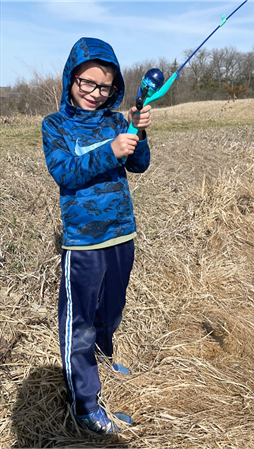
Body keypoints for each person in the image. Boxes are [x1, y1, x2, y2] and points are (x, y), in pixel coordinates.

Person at [42, 37, 152, 435]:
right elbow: (65, 173)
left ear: (114, 88)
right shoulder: (55, 125)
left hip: (122, 234)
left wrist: (138, 131)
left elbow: (140, 164)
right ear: (71, 78)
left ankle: (103, 356)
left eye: (104, 87)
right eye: (86, 83)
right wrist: (111, 151)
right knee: (80, 323)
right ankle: (85, 405)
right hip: (84, 244)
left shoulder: (116, 120)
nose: (94, 93)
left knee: (113, 308)